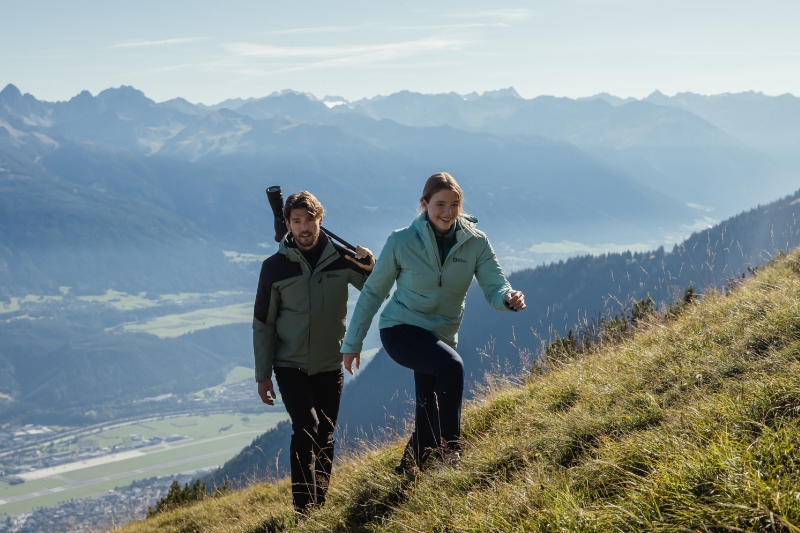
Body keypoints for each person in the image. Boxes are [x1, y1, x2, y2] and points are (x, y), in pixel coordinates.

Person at [341, 172, 525, 473]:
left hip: (440, 334)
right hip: (400, 329)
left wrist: (508, 298)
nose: (448, 212)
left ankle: (405, 474)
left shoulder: (475, 242)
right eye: (440, 204)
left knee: (428, 414)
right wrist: (353, 343)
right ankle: (450, 456)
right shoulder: (401, 241)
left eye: (455, 205)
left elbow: (495, 286)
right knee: (451, 367)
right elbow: (374, 292)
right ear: (424, 204)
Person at [252, 190, 375, 515]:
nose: (304, 227)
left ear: (320, 220)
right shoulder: (275, 268)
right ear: (287, 224)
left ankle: (319, 504)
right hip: (289, 364)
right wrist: (263, 375)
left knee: (326, 435)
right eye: (296, 221)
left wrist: (370, 265)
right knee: (307, 426)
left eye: (309, 220)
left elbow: (376, 289)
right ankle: (304, 511)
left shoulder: (341, 258)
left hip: (328, 363)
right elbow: (263, 324)